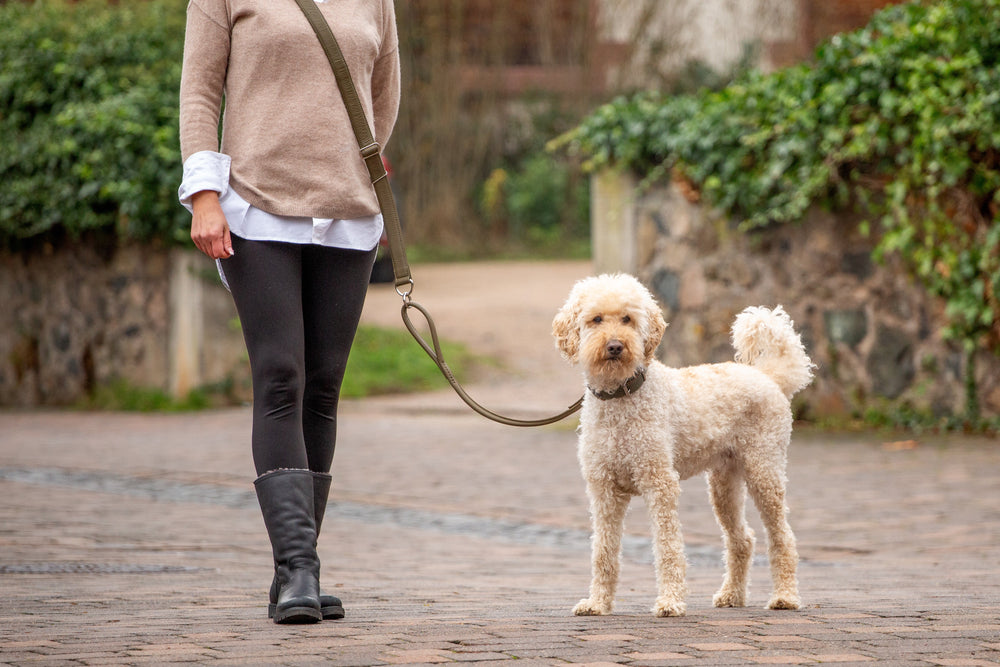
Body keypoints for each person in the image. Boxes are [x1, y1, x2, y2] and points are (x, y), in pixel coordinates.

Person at [177, 0, 400, 624]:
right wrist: (203, 194)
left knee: (323, 389)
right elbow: (199, 92)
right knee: (281, 375)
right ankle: (300, 568)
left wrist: (365, 183)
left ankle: (294, 569)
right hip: (256, 206)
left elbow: (384, 98)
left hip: (349, 217)